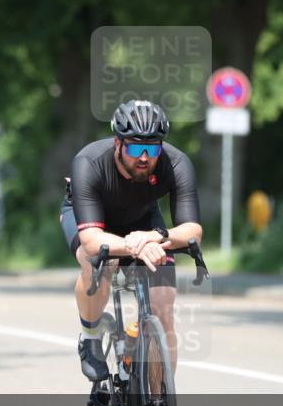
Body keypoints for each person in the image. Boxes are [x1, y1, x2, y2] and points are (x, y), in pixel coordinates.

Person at [60, 99, 202, 382]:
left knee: (164, 309)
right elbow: (90, 240)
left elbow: (192, 230)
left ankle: (159, 403)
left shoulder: (176, 163)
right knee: (100, 263)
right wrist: (136, 245)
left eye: (153, 148)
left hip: (144, 224)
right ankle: (89, 338)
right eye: (136, 147)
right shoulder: (88, 162)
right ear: (118, 143)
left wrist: (155, 237)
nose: (145, 157)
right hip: (92, 220)